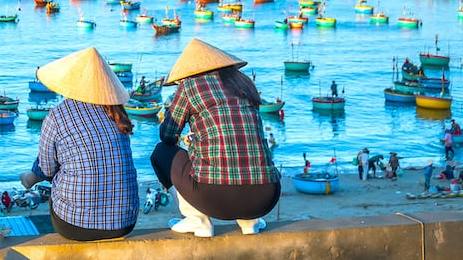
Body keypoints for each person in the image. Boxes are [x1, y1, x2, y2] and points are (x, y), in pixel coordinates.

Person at [151, 39, 280, 238]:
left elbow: (167, 134)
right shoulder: (244, 83)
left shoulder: (189, 86)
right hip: (266, 196)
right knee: (244, 149)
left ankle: (198, 220)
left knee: (161, 153)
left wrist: (191, 139)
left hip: (215, 198)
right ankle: (249, 221)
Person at [20, 46, 138, 242]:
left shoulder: (57, 115)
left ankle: (30, 177)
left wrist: (39, 172)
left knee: (56, 165)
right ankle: (32, 176)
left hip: (76, 226)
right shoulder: (115, 113)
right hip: (124, 223)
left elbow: (48, 170)